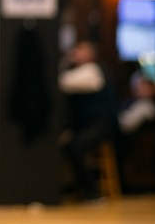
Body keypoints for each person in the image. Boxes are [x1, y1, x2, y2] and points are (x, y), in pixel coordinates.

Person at [58, 40, 117, 202]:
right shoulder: (80, 71)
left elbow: (63, 82)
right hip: (88, 125)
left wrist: (65, 61)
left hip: (102, 125)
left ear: (91, 54)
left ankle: (93, 193)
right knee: (68, 145)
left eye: (81, 50)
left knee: (75, 146)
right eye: (76, 49)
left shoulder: (92, 70)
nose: (76, 53)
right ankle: (81, 189)